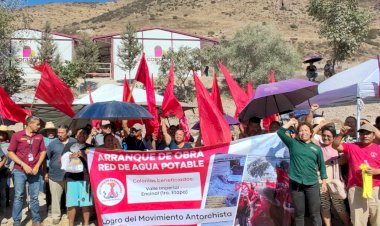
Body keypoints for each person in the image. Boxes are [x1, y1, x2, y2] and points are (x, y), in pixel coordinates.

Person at [277, 118, 327, 226]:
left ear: (311, 132)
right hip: (295, 182)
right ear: (297, 133)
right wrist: (290, 122)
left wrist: (324, 182)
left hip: (312, 183)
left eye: (306, 130)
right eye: (301, 130)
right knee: (299, 214)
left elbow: (322, 166)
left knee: (315, 213)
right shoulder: (293, 143)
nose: (303, 133)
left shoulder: (316, 149)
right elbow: (280, 132)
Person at [332, 123, 380, 226]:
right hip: (356, 188)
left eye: (368, 133)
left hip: (375, 188)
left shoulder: (378, 149)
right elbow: (335, 145)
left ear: (373, 135)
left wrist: (376, 171)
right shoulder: (352, 146)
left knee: (377, 220)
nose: (365, 136)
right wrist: (341, 134)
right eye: (362, 133)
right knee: (358, 221)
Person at [7, 116, 46, 226]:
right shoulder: (17, 135)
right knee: (19, 196)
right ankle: (17, 222)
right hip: (19, 171)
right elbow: (10, 152)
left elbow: (43, 152)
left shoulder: (39, 136)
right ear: (30, 124)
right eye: (37, 124)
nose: (39, 126)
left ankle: (36, 220)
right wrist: (23, 164)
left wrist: (38, 166)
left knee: (34, 197)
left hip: (34, 171)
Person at [313, 125, 350, 226]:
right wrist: (320, 125)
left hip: (334, 180)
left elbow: (343, 161)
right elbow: (311, 134)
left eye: (329, 136)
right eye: (323, 135)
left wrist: (337, 159)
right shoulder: (317, 144)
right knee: (324, 206)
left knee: (339, 206)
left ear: (334, 137)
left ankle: (347, 224)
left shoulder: (338, 147)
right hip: (320, 180)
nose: (325, 138)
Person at [46, 125, 76, 224]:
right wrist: (45, 173)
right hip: (55, 175)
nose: (59, 135)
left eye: (62, 132)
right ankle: (56, 215)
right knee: (55, 197)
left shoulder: (74, 142)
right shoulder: (52, 144)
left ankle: (70, 214)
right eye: (58, 132)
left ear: (67, 133)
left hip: (71, 175)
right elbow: (47, 157)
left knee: (71, 197)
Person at [63, 128, 93, 226]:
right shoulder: (68, 146)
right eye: (79, 133)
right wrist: (70, 156)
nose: (82, 135)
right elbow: (61, 159)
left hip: (85, 178)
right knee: (71, 203)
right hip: (71, 178)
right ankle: (70, 224)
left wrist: (84, 155)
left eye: (84, 133)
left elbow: (93, 163)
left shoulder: (90, 147)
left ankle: (86, 224)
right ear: (76, 135)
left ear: (87, 136)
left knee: (86, 203)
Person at [0, 146, 8, 224]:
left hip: (1, 174)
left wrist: (1, 164)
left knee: (2, 196)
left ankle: (2, 216)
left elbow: (5, 157)